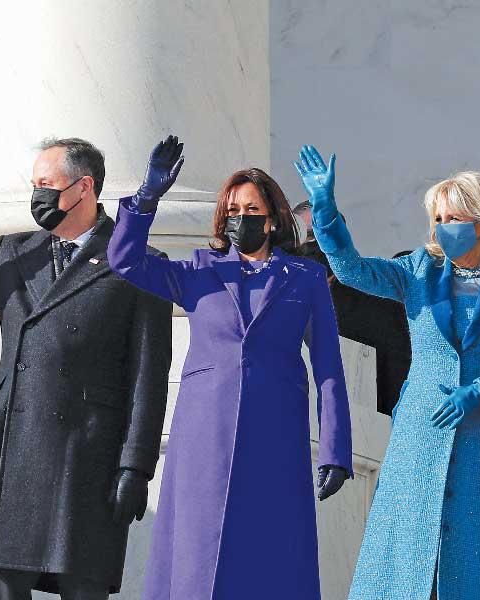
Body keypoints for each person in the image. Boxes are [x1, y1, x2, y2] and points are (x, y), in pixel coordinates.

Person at [0, 139, 173, 600]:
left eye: (46, 184)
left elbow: (147, 376)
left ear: (84, 187)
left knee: (82, 587)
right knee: (0, 585)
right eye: (34, 185)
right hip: (14, 454)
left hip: (88, 459)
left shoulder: (137, 264)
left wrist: (136, 466)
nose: (37, 195)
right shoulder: (14, 253)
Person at [294, 145, 480, 599]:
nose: (442, 228)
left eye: (453, 218)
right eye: (437, 219)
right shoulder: (418, 270)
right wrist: (325, 210)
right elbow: (352, 271)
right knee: (408, 563)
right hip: (421, 433)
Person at [106, 136, 353, 600]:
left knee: (271, 554)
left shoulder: (305, 277)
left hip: (276, 432)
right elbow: (124, 261)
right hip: (204, 433)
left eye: (252, 208)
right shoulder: (198, 270)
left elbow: (329, 368)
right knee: (200, 553)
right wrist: (146, 198)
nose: (242, 218)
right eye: (233, 209)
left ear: (273, 216)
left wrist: (335, 450)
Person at [293, 200, 413, 417]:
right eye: (307, 234)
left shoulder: (375, 297)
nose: (314, 242)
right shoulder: (275, 306)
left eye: (323, 232)